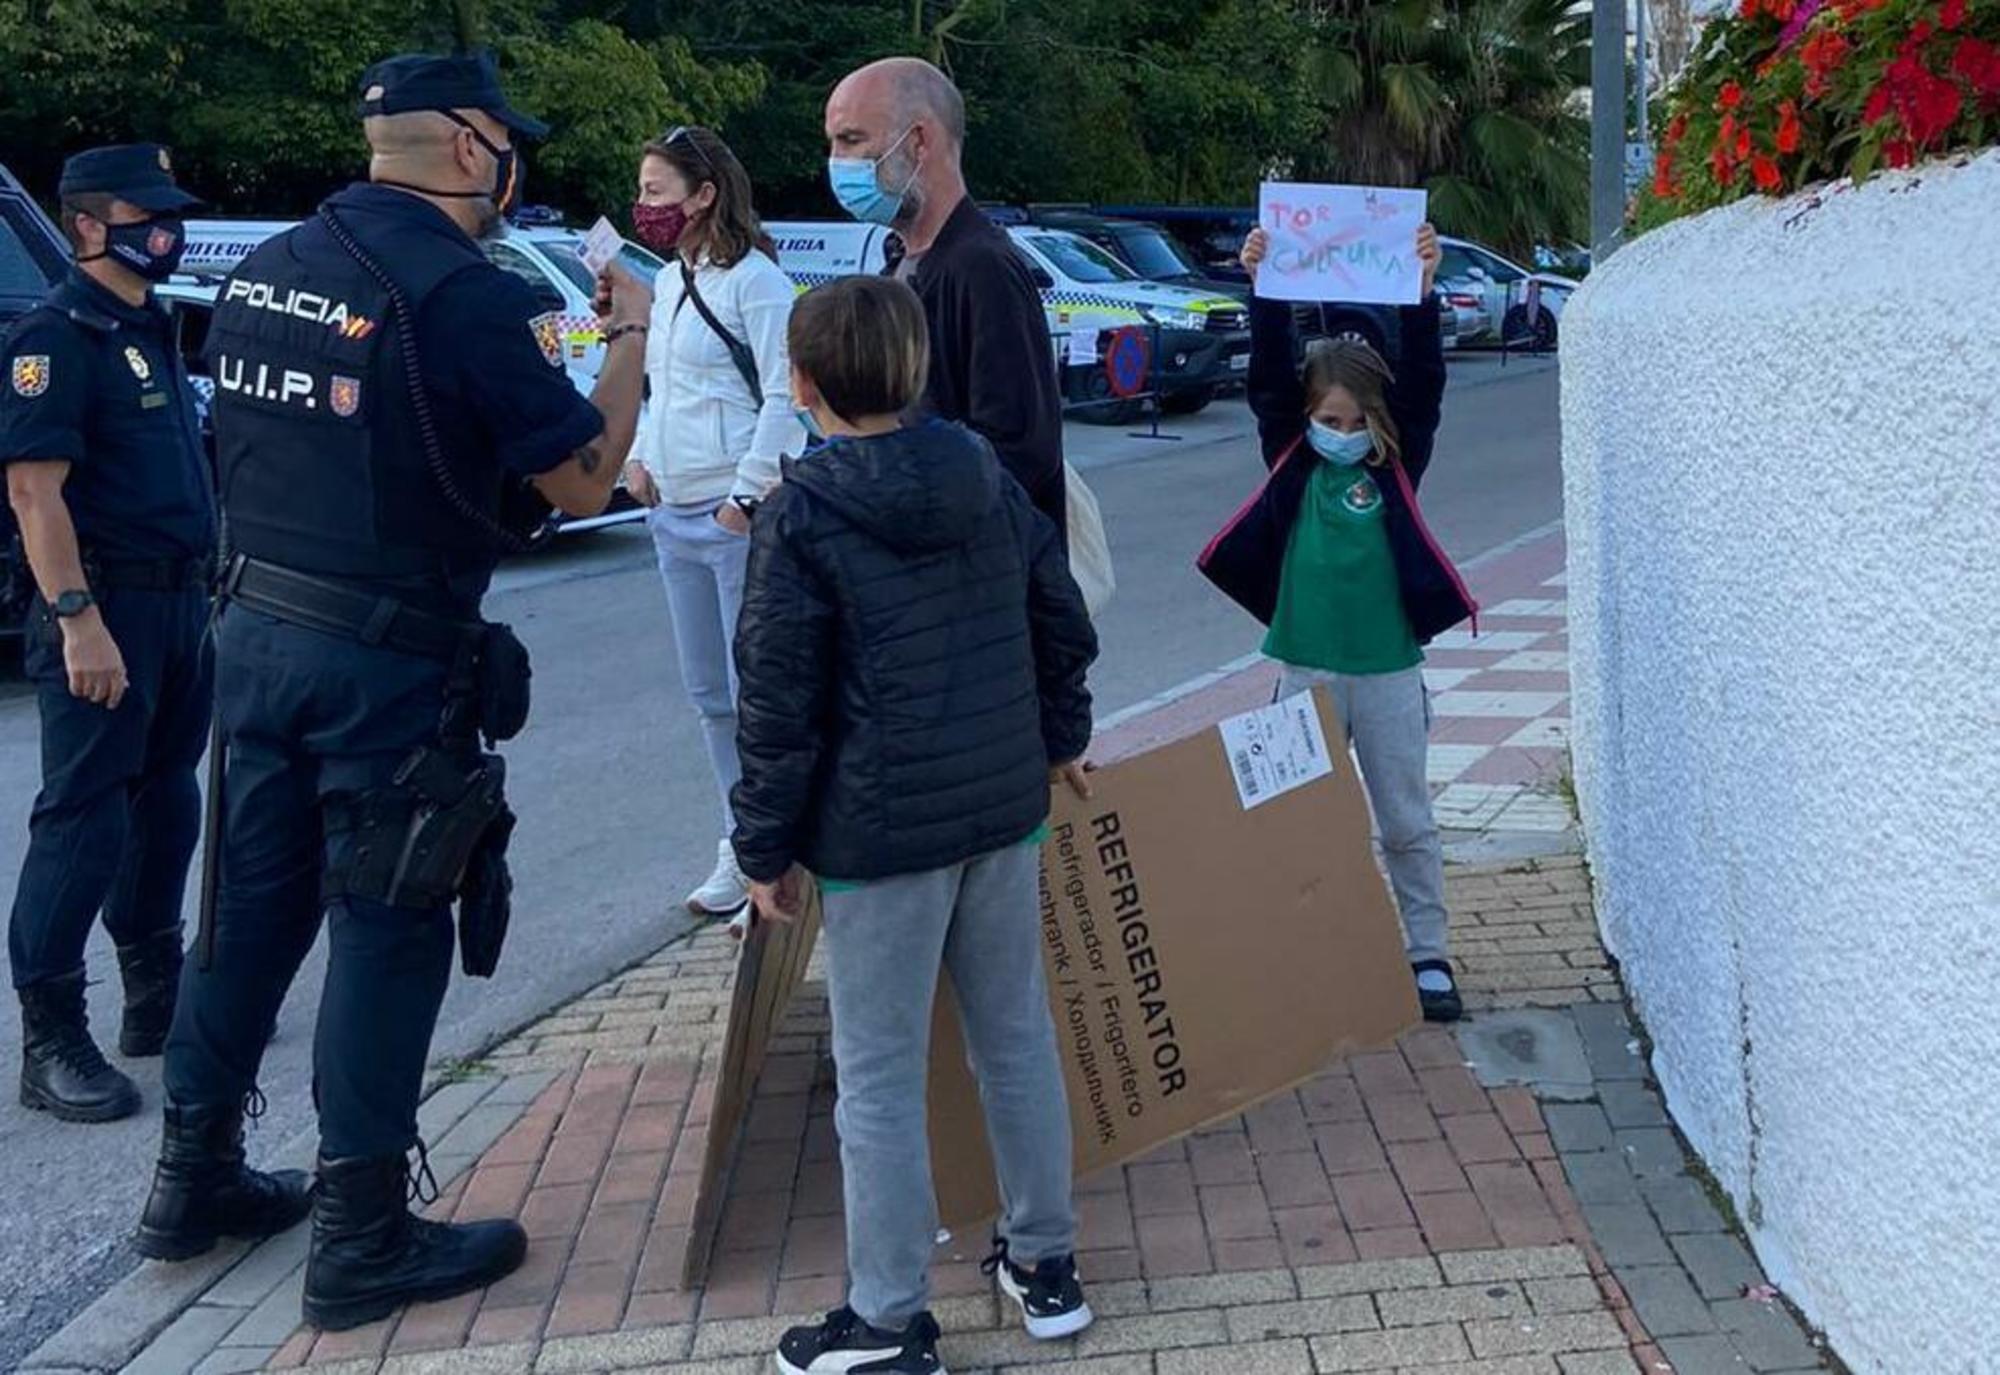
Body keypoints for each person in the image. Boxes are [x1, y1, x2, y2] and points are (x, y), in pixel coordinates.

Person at [136, 53, 651, 1331]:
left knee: (246, 916)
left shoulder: (270, 267)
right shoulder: (453, 290)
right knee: (387, 924)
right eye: (510, 141)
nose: (514, 162)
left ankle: (188, 1181)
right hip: (384, 659)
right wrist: (628, 336)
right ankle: (360, 1232)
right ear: (472, 148)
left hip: (249, 636)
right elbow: (583, 482)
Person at [732, 276, 1097, 1374]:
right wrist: (1059, 735)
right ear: (916, 369)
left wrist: (762, 847)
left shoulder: (798, 515)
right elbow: (1058, 619)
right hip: (999, 806)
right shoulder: (985, 480)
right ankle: (1044, 1267)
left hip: (878, 835)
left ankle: (888, 1319)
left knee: (879, 1074)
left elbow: (775, 700)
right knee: (1015, 1040)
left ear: (798, 384)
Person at [1199, 223, 1477, 1023]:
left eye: (1357, 422)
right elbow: (1266, 382)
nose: (1343, 433)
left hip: (1388, 671)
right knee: (1297, 820)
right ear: (1309, 415)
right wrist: (1263, 287)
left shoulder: (1397, 466)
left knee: (1405, 819)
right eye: (1330, 418)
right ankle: (1305, 949)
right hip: (1303, 675)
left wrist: (1423, 291)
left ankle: (1427, 953)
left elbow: (1424, 384)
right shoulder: (1292, 458)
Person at [1, 145, 215, 1124]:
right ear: (88, 225)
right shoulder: (58, 333)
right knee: (84, 814)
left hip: (179, 603)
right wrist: (77, 619)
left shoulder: (150, 324)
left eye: (169, 212)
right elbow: (33, 491)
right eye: (144, 212)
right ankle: (49, 1041)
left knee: (165, 801)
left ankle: (155, 993)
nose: (163, 228)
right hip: (105, 607)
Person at [623, 125, 799, 919]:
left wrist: (749, 496)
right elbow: (661, 388)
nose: (644, 207)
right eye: (643, 191)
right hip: (672, 510)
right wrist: (636, 453)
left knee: (752, 689)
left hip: (734, 515)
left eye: (658, 192)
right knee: (708, 695)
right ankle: (738, 838)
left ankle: (766, 844)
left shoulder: (757, 283)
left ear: (704, 195)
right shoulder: (667, 282)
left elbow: (784, 394)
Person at [823, 58, 1067, 534]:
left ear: (918, 141)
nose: (837, 162)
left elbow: (1019, 452)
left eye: (851, 140)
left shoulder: (982, 267)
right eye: (833, 143)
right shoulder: (900, 260)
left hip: (970, 580)